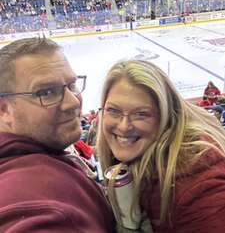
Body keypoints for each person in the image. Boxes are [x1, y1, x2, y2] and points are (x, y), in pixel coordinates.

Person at [0, 37, 115, 232]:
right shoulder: (38, 204)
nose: (73, 102)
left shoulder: (41, 150)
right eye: (46, 92)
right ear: (4, 110)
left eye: (72, 85)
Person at [97, 59, 225, 233]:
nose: (124, 126)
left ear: (166, 117)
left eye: (141, 114)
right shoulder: (141, 158)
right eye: (113, 110)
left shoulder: (198, 184)